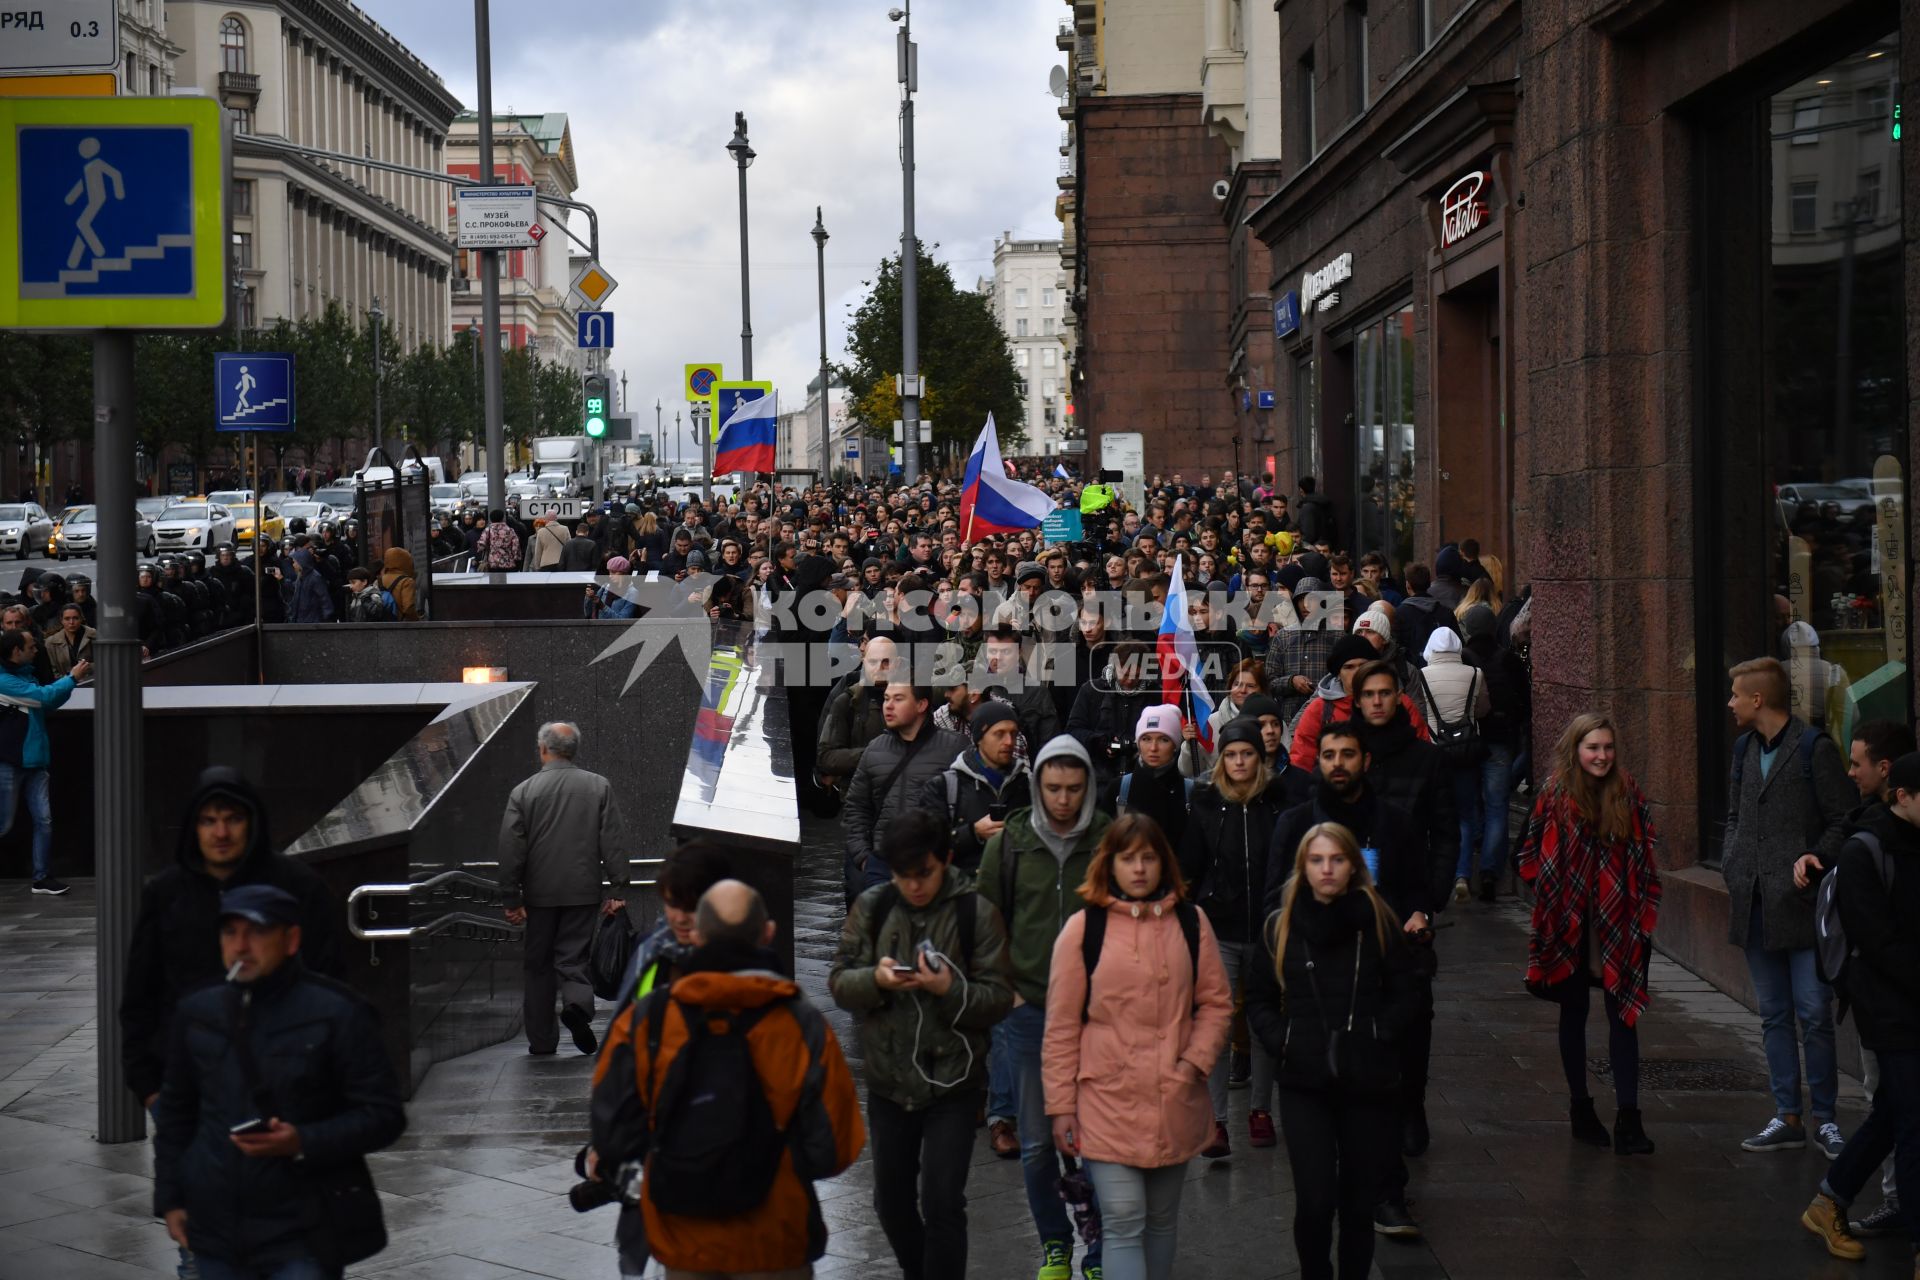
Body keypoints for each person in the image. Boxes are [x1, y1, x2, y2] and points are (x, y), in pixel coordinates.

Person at [587, 881, 865, 1280]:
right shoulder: (801, 1025)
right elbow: (835, 1148)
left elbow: (612, 1135)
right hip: (776, 1239)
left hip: (684, 1239)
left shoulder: (649, 1020)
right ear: (767, 933)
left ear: (695, 935)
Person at [153, 884, 405, 1280]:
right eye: (230, 932)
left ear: (291, 940)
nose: (240, 946)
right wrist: (170, 1198)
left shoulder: (337, 1013)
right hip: (215, 1228)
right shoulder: (197, 1012)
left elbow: (384, 1115)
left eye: (256, 932)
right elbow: (176, 1115)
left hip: (300, 1230)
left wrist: (302, 1141)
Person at [1043, 814, 1231, 1280]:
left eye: (1148, 857)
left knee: (1162, 1221)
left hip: (1176, 1095)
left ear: (1163, 862)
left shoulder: (1192, 922)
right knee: (1124, 1220)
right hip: (1107, 1099)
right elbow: (1061, 1026)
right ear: (1110, 864)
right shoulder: (1083, 930)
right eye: (1128, 859)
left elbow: (1216, 1003)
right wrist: (1061, 1107)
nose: (1140, 868)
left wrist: (1195, 1061)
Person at [830, 810, 1014, 1280]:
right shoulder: (873, 906)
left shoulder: (976, 912)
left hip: (954, 1082)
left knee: (942, 1201)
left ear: (947, 860)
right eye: (902, 876)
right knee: (890, 1203)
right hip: (890, 1081)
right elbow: (839, 982)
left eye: (924, 875)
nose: (913, 886)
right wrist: (877, 978)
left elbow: (996, 999)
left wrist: (947, 989)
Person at [1266, 719, 1431, 1237]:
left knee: (1384, 1097)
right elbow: (1274, 901)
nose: (1338, 763)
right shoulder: (1295, 823)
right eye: (1330, 754)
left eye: (1348, 754)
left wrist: (1418, 916)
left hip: (1378, 979)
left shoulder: (1394, 823)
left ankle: (1387, 1193)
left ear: (1365, 761)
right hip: (1314, 987)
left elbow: (1418, 887)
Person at [1247, 823, 1419, 1280]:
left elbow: (1407, 990)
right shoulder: (1279, 927)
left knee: (1359, 1204)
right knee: (1316, 1200)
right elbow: (1258, 997)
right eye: (1317, 860)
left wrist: (1379, 1032)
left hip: (1367, 1077)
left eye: (1337, 860)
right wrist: (1283, 1039)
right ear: (1302, 867)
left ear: (1353, 866)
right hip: (1305, 1081)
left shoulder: (1378, 920)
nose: (1327, 870)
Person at [979, 735, 1112, 1280]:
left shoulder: (1108, 839)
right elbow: (985, 919)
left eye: (1073, 789)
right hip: (1029, 1009)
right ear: (1038, 787)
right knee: (1036, 1144)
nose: (1063, 800)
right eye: (1053, 789)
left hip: (1098, 1012)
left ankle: (1101, 1253)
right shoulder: (1009, 842)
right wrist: (1004, 987)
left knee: (1102, 1138)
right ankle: (1056, 1244)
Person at [1513, 712, 1663, 1156]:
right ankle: (1581, 1109)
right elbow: (1528, 850)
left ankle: (1629, 1120)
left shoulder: (1628, 791)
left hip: (1619, 921)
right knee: (1573, 1012)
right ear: (1576, 749)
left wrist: (1637, 909)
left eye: (1607, 748)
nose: (1601, 756)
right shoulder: (1555, 793)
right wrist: (1552, 890)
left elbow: (1644, 855)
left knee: (1624, 1016)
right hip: (1568, 922)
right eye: (1592, 747)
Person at [1722, 656, 1855, 1158]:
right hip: (1754, 902)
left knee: (1814, 1012)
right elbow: (1734, 813)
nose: (1730, 702)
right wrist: (1733, 862)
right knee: (1774, 1015)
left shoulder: (1813, 749)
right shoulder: (1742, 748)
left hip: (1800, 904)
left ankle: (1825, 1119)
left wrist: (1816, 854)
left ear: (1758, 700)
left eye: (1736, 694)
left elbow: (1845, 818)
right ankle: (1786, 1114)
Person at [1799, 751, 1920, 1263]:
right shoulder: (1863, 852)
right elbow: (1879, 942)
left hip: (1910, 996)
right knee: (1914, 1120)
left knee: (1896, 1110)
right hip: (1887, 1005)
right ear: (1902, 797)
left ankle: (1830, 1200)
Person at [1179, 717, 1311, 1156]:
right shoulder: (1204, 801)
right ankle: (1215, 1121)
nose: (1238, 761)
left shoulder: (1276, 801)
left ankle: (1259, 1110)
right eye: (1232, 754)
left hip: (1268, 928)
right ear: (1221, 757)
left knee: (1262, 1022)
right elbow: (1190, 866)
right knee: (1216, 1025)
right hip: (1219, 926)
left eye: (1247, 754)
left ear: (1260, 757)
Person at [497, 721, 629, 1057]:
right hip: (583, 890)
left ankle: (542, 1042)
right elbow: (612, 839)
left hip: (539, 894)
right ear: (574, 751)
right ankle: (577, 1007)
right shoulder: (599, 787)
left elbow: (511, 848)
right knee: (573, 957)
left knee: (538, 964)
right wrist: (617, 887)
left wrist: (512, 897)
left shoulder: (523, 792)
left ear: (543, 749)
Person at [840, 682, 969, 901]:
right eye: (886, 698)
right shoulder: (875, 748)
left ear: (921, 704)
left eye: (898, 699)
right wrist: (864, 857)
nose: (888, 706)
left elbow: (966, 807)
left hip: (930, 866)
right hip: (881, 864)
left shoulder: (955, 747)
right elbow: (856, 807)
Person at [0, 628, 87, 895]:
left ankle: (42, 876)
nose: (36, 650)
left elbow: (48, 702)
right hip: (10, 761)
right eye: (30, 647)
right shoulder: (5, 681)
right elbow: (44, 698)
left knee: (44, 820)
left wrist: (68, 683)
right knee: (3, 822)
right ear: (16, 651)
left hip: (35, 760)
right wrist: (72, 678)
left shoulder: (25, 677)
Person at [922, 699, 1033, 873]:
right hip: (964, 891)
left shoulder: (1028, 786)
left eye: (1013, 733)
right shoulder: (944, 787)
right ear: (979, 738)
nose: (1009, 741)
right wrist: (973, 833)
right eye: (999, 734)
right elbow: (928, 846)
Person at [1103, 704, 1193, 853]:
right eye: (1146, 739)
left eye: (1164, 739)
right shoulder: (1118, 790)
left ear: (1175, 745)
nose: (1153, 748)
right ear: (1138, 743)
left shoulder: (1190, 792)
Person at [816, 635, 897, 800]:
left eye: (886, 662)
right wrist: (872, 754)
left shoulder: (913, 699)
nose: (879, 668)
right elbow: (826, 757)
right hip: (858, 797)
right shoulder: (847, 700)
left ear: (897, 663)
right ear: (864, 661)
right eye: (873, 662)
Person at [42, 602, 93, 677]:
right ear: (61, 620)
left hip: (90, 684)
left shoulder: (94, 636)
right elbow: (52, 670)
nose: (71, 622)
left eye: (75, 618)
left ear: (81, 618)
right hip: (64, 685)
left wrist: (89, 667)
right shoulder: (51, 642)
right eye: (67, 619)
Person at [378, 545, 421, 620]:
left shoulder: (380, 579)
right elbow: (408, 608)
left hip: (383, 622)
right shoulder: (407, 581)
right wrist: (417, 621)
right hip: (400, 624)